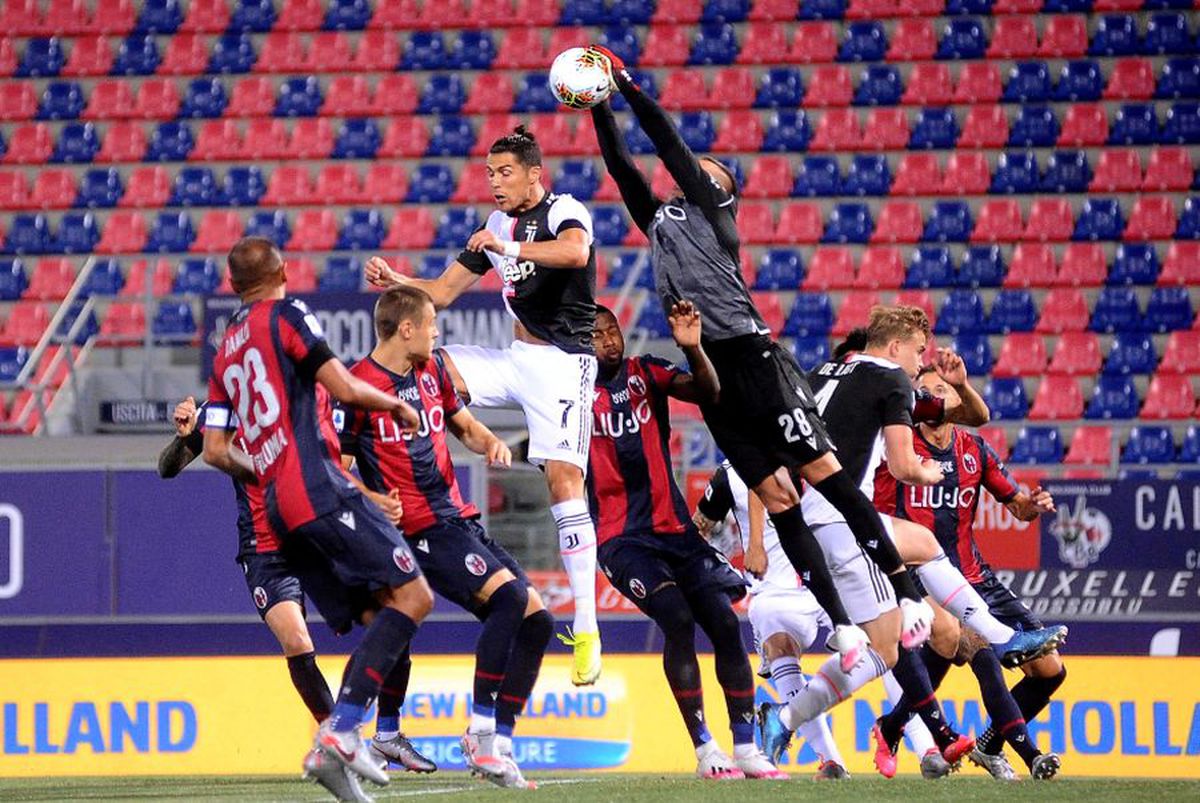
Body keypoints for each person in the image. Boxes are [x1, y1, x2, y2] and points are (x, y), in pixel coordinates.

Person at [586, 45, 933, 671]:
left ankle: (906, 592)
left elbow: (667, 148)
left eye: (709, 168)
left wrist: (629, 87)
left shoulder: (717, 214)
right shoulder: (662, 220)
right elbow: (624, 170)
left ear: (725, 189)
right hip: (714, 375)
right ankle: (845, 626)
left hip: (755, 357)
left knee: (825, 474)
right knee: (777, 498)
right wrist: (598, 108)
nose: (695, 171)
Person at [365, 126, 603, 686]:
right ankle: (405, 481)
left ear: (533, 174)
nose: (495, 182)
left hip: (564, 364)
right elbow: (442, 294)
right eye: (490, 173)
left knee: (564, 482)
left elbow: (576, 252)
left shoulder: (564, 211)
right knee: (432, 366)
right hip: (515, 356)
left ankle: (588, 628)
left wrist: (510, 248)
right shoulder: (494, 226)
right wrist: (398, 279)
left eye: (505, 172)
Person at [202, 237, 435, 801]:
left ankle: (338, 746)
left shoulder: (224, 349)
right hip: (315, 485)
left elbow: (214, 448)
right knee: (415, 597)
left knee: (381, 609)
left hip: (276, 511)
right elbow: (343, 385)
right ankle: (344, 731)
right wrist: (396, 405)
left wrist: (263, 468)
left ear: (232, 287)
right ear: (282, 271)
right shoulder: (286, 314)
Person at [337, 285, 553, 790]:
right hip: (418, 528)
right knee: (509, 599)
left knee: (537, 620)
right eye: (432, 322)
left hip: (457, 517)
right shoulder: (358, 386)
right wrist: (371, 497)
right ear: (407, 328)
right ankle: (479, 734)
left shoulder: (432, 371)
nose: (437, 331)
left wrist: (492, 442)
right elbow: (337, 467)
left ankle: (498, 740)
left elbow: (465, 426)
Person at [157, 397, 437, 780]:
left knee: (395, 616)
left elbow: (341, 467)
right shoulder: (220, 408)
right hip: (264, 551)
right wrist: (182, 438)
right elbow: (167, 468)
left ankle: (387, 732)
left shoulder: (316, 398)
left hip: (318, 536)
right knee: (297, 642)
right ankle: (343, 743)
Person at [586, 301, 782, 780]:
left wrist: (693, 348)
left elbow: (708, 391)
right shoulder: (566, 393)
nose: (609, 340)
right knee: (676, 616)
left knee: (723, 622)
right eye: (596, 334)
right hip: (621, 539)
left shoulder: (645, 372)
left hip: (675, 530)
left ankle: (745, 746)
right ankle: (705, 748)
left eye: (612, 330)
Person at [874, 366, 1068, 781]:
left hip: (977, 576)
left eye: (939, 390)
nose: (930, 396)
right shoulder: (898, 450)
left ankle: (984, 744)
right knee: (979, 648)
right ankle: (1028, 754)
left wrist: (1035, 504)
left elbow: (1017, 506)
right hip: (924, 579)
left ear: (955, 400)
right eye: (923, 390)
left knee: (1050, 671)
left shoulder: (973, 449)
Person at [694, 461, 849, 781]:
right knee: (780, 648)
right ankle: (832, 762)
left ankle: (786, 716)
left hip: (832, 580)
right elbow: (699, 528)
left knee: (877, 651)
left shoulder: (812, 450)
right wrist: (711, 559)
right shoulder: (728, 475)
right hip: (775, 588)